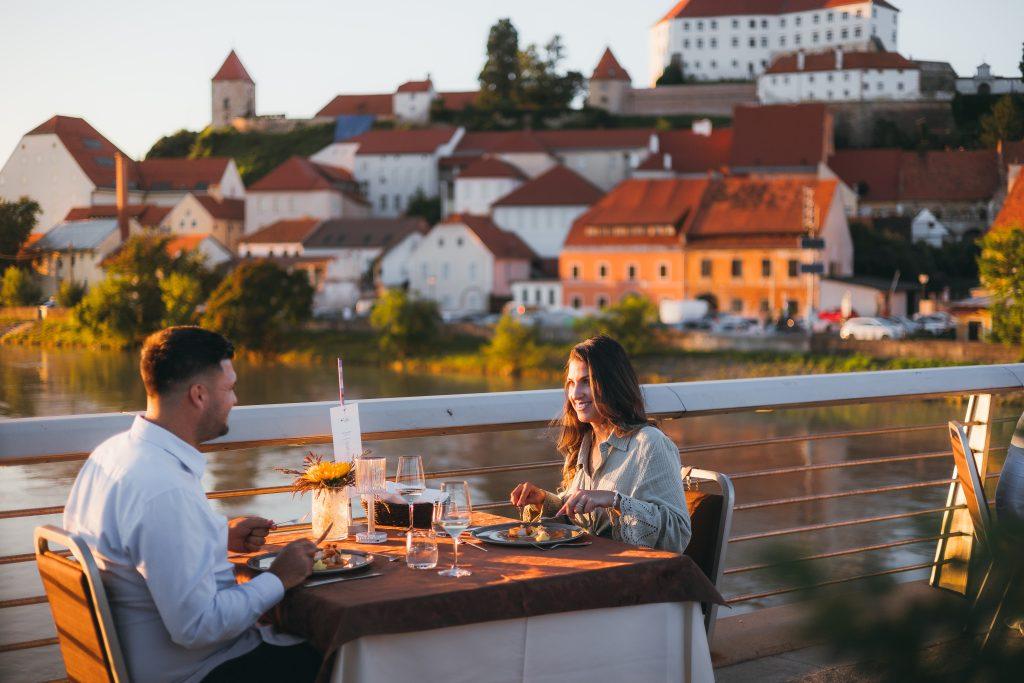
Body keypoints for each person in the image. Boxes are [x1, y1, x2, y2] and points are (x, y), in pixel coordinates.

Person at [63, 327, 321, 683]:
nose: (235, 400)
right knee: (333, 653)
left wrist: (218, 537)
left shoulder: (112, 455)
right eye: (229, 388)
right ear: (199, 395)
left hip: (135, 661)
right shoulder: (163, 488)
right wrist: (279, 578)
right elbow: (197, 627)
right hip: (197, 671)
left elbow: (139, 551)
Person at [509, 334, 692, 553]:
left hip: (631, 576)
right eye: (571, 383)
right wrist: (543, 501)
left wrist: (614, 500)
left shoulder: (650, 444)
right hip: (588, 567)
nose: (575, 394)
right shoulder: (584, 442)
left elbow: (679, 535)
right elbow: (585, 524)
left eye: (586, 381)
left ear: (612, 384)